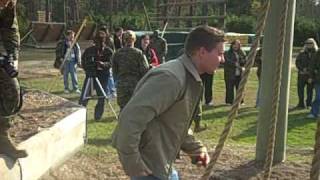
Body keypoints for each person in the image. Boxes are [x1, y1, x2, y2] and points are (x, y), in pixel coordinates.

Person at [112, 25, 225, 180]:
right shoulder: (171, 78)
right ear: (202, 52)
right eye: (219, 53)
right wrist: (134, 165)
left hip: (162, 166)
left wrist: (195, 149)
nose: (222, 59)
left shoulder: (186, 76)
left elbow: (175, 122)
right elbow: (130, 119)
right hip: (150, 169)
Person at [0, 0, 28, 160]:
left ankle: (2, 137)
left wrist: (11, 57)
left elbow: (10, 31)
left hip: (4, 55)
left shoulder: (8, 7)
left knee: (12, 93)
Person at [79, 30, 113, 121]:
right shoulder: (89, 51)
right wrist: (89, 69)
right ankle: (79, 116)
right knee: (84, 97)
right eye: (98, 41)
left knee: (101, 98)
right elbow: (84, 62)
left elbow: (110, 63)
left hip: (103, 77)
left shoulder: (108, 51)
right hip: (91, 76)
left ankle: (97, 117)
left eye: (101, 41)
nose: (99, 44)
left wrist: (102, 64)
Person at [112, 30, 150, 110]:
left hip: (122, 85)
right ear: (134, 40)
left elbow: (114, 71)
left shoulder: (117, 54)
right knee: (135, 109)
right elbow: (145, 71)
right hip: (136, 85)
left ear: (123, 40)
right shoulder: (139, 53)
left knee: (123, 109)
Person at [296, 38, 317, 109]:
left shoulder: (316, 53)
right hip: (302, 75)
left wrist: (309, 70)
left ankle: (309, 103)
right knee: (300, 89)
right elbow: (297, 62)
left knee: (310, 90)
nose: (309, 45)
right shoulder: (301, 53)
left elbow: (316, 64)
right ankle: (301, 103)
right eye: (307, 43)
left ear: (313, 44)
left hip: (311, 75)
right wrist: (302, 68)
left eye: (310, 43)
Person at [224, 39, 246, 105]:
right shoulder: (228, 53)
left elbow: (244, 61)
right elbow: (227, 61)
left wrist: (242, 64)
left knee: (239, 88)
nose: (236, 46)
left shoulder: (242, 52)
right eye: (235, 44)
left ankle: (240, 101)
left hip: (239, 74)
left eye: (238, 45)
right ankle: (229, 102)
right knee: (229, 88)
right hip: (230, 73)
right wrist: (235, 64)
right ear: (232, 45)